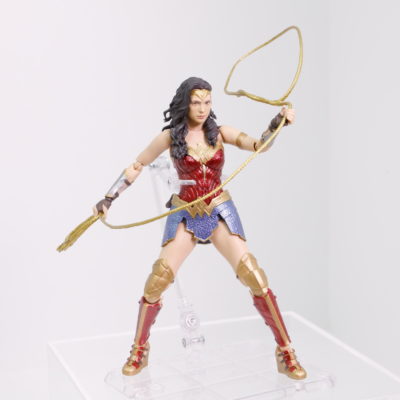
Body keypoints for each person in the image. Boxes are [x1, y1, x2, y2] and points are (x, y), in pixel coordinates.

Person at [93, 77, 307, 380]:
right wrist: (109, 198)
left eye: (207, 102)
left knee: (254, 275)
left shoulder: (220, 133)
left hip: (219, 208)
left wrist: (277, 123)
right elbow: (137, 165)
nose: (203, 108)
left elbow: (258, 145)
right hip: (186, 211)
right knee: (157, 281)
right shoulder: (170, 137)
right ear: (186, 103)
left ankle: (286, 351)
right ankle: (139, 349)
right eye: (196, 102)